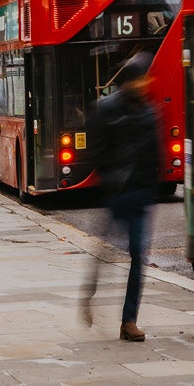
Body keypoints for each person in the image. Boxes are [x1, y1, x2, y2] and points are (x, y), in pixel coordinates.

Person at [79, 53, 163, 342]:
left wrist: (155, 188)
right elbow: (96, 151)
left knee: (139, 257)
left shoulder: (150, 111)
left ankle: (129, 321)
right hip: (118, 193)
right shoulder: (105, 108)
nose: (144, 84)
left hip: (141, 194)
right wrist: (110, 179)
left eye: (146, 78)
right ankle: (88, 293)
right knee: (105, 255)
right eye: (140, 79)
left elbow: (155, 153)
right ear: (128, 81)